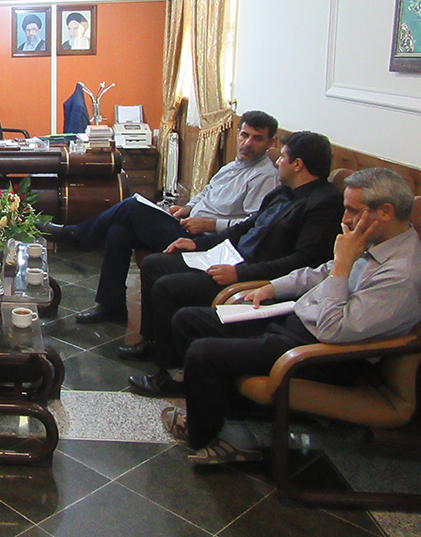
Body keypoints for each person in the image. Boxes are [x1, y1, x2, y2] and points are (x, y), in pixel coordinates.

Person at [161, 168, 421, 465]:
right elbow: (319, 273)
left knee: (203, 353)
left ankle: (210, 438)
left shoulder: (402, 274)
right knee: (189, 320)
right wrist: (272, 287)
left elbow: (334, 330)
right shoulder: (376, 241)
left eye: (352, 210)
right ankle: (222, 411)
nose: (345, 219)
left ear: (385, 212)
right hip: (296, 321)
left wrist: (343, 264)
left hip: (324, 354)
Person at [125, 131, 343, 396]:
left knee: (167, 288)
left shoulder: (324, 204)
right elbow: (245, 227)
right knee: (154, 264)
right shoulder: (282, 192)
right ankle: (154, 341)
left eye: (283, 157)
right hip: (230, 257)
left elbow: (302, 261)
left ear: (298, 164)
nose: (277, 162)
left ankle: (171, 373)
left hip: (251, 276)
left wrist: (240, 273)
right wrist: (199, 244)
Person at [42, 110, 280, 324]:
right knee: (118, 232)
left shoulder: (264, 177)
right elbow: (206, 194)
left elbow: (253, 224)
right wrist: (187, 208)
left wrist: (209, 224)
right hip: (188, 225)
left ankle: (74, 235)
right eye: (244, 135)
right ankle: (112, 306)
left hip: (208, 242)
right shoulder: (232, 167)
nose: (248, 143)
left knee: (132, 207)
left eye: (257, 138)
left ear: (271, 142)